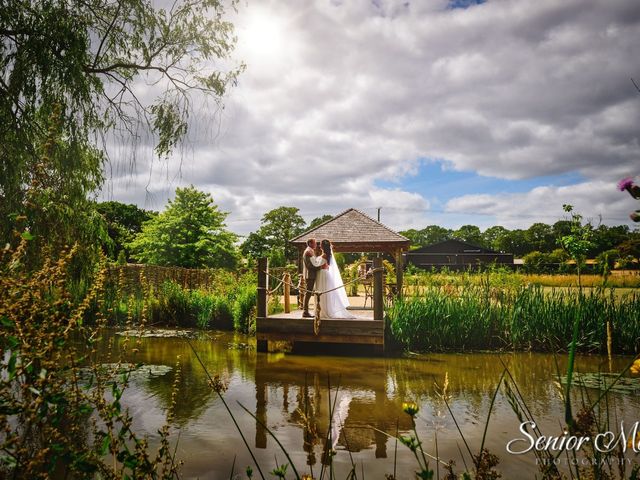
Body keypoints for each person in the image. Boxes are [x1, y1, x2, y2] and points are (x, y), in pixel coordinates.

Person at [315, 239, 356, 319]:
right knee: (325, 293)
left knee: (323, 292)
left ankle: (324, 310)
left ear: (323, 246)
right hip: (325, 274)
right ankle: (325, 309)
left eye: (320, 244)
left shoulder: (324, 255)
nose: (319, 246)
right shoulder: (327, 254)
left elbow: (318, 265)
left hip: (322, 274)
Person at [302, 238, 325, 318]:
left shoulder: (310, 251)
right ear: (310, 243)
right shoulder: (308, 252)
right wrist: (320, 267)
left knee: (309, 293)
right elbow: (310, 265)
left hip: (311, 275)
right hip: (310, 275)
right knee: (308, 293)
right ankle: (305, 312)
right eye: (314, 243)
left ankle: (306, 311)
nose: (316, 244)